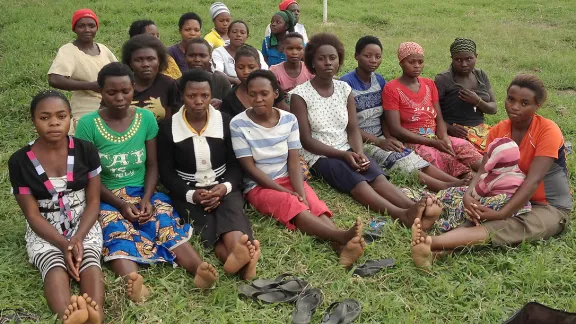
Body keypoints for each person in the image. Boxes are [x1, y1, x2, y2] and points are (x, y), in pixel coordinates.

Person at [75, 63, 218, 302]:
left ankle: (198, 269)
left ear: (133, 90)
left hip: (144, 190)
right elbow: (89, 175)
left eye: (125, 91)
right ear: (100, 92)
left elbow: (153, 164)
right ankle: (134, 282)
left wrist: (147, 198)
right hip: (106, 195)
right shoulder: (88, 125)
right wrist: (120, 204)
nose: (119, 98)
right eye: (111, 93)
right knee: (116, 230)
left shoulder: (145, 118)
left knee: (165, 220)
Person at [410, 74, 573, 268]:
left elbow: (532, 182)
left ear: (537, 106)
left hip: (547, 205)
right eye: (511, 99)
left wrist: (501, 213)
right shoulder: (499, 130)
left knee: (510, 226)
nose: (514, 107)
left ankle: (433, 242)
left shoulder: (547, 130)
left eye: (524, 103)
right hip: (505, 194)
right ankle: (439, 248)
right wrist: (469, 195)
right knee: (474, 212)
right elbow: (483, 171)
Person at [290, 33, 441, 230]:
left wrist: (359, 152)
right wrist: (345, 155)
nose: (328, 63)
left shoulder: (344, 88)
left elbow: (352, 128)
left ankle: (413, 207)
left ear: (339, 61)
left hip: (347, 148)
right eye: (321, 58)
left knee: (376, 174)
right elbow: (306, 140)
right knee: (357, 181)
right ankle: (401, 215)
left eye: (332, 58)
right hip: (319, 155)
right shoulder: (299, 95)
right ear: (311, 62)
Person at [231, 70, 365, 266]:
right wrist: (283, 190)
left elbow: (293, 161)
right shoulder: (238, 124)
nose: (258, 99)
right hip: (259, 186)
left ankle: (342, 247)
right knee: (292, 204)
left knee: (312, 203)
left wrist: (299, 190)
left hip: (288, 177)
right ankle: (341, 236)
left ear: (275, 93)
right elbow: (250, 169)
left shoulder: (289, 120)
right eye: (252, 94)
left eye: (264, 93)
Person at [9, 90, 104, 323]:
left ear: (71, 119)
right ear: (33, 121)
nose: (54, 122)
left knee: (90, 261)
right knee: (52, 265)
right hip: (45, 228)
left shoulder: (86, 150)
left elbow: (93, 201)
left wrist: (78, 238)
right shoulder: (19, 161)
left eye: (61, 116)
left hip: (83, 222)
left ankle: (96, 315)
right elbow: (32, 215)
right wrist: (63, 244)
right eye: (45, 117)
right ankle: (67, 315)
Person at [158, 69, 260, 280]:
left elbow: (235, 164)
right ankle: (244, 263)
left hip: (223, 185)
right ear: (181, 96)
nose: (198, 101)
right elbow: (166, 173)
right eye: (191, 96)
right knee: (208, 225)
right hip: (188, 191)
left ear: (211, 94)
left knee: (232, 213)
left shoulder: (224, 121)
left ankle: (239, 256)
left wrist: (225, 188)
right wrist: (191, 195)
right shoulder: (168, 128)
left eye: (204, 96)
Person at [341, 36, 466, 192]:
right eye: (367, 56)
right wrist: (379, 142)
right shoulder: (345, 84)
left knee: (409, 155)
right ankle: (444, 186)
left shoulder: (379, 80)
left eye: (378, 56)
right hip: (360, 141)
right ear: (356, 56)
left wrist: (389, 137)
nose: (373, 60)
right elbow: (348, 125)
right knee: (398, 160)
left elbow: (384, 117)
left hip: (381, 137)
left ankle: (456, 181)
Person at [383, 42, 482, 179]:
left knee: (462, 146)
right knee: (437, 156)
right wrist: (433, 143)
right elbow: (395, 129)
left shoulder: (429, 84)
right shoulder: (392, 88)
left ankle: (491, 171)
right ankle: (467, 178)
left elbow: (438, 118)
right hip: (414, 142)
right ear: (401, 62)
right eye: (411, 62)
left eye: (420, 61)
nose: (417, 65)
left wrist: (445, 138)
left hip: (435, 136)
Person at [48, 9, 117, 134]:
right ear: (74, 29)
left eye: (91, 26)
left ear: (97, 28)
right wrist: (90, 85)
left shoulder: (103, 49)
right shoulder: (69, 50)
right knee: (89, 135)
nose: (87, 30)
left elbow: (118, 71)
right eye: (81, 26)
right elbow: (54, 79)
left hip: (111, 101)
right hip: (86, 104)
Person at [435, 38, 497, 152]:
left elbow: (493, 109)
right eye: (458, 60)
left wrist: (477, 101)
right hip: (455, 132)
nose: (464, 64)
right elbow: (432, 112)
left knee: (504, 149)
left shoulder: (481, 75)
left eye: (469, 59)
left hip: (480, 130)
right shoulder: (443, 79)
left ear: (476, 56)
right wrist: (449, 128)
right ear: (452, 59)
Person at [122, 35, 181, 120]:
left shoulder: (168, 84)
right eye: (138, 60)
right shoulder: (121, 85)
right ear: (130, 63)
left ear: (159, 60)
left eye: (151, 59)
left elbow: (177, 118)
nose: (145, 64)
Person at [221, 46, 289, 117]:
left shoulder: (271, 86)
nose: (246, 72)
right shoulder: (230, 99)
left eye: (251, 67)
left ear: (259, 66)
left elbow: (285, 111)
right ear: (235, 68)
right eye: (241, 67)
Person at [212, 20, 268, 86]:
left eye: (242, 32)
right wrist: (236, 81)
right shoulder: (219, 52)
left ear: (247, 36)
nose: (238, 35)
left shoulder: (255, 53)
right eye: (234, 32)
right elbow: (218, 73)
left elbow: (265, 71)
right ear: (228, 34)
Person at [185, 38, 232, 108]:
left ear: (210, 57)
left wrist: (222, 103)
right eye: (192, 55)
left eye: (202, 56)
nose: (197, 60)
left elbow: (230, 107)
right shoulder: (177, 84)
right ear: (185, 57)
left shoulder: (220, 81)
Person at [269, 32, 313, 104]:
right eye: (290, 48)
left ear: (304, 50)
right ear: (283, 49)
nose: (294, 52)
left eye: (299, 49)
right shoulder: (275, 71)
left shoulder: (310, 69)